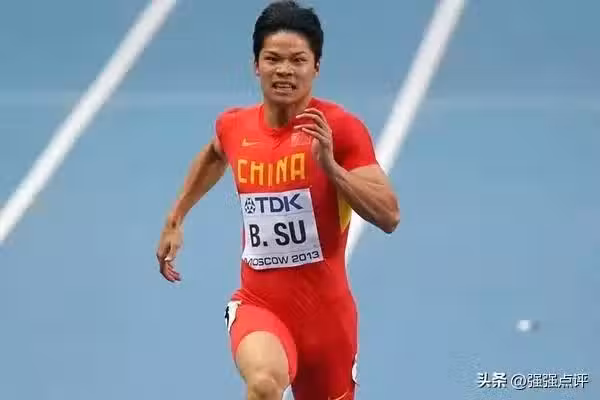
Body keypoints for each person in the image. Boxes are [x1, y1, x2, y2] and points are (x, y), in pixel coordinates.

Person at [156, 1, 400, 399]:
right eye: (272, 59)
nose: (284, 70)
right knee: (264, 384)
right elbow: (215, 154)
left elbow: (389, 215)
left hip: (328, 322)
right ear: (256, 65)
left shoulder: (340, 130)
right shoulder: (235, 126)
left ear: (316, 67)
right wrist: (176, 218)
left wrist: (332, 169)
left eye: (298, 60)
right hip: (260, 306)